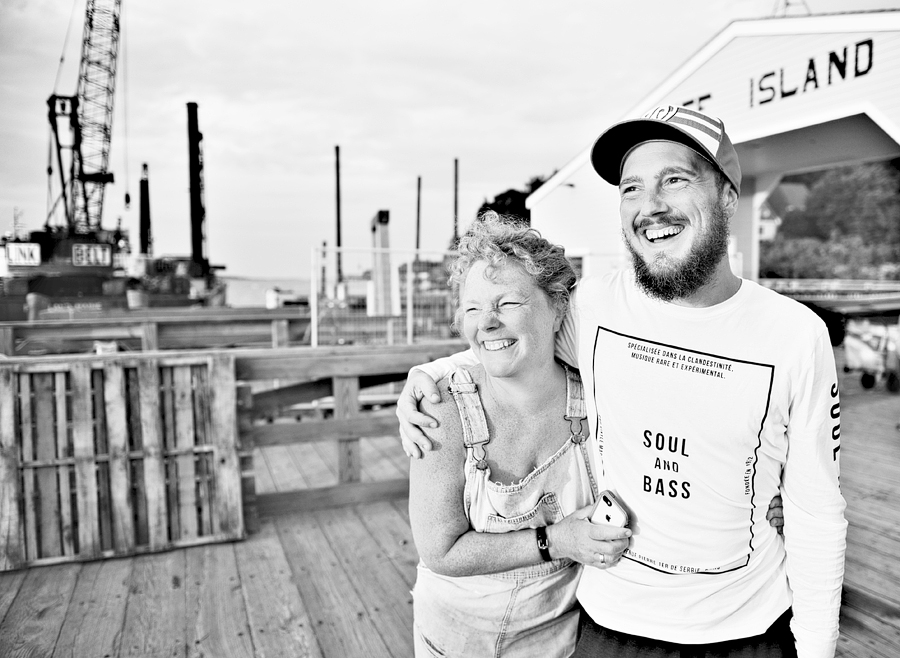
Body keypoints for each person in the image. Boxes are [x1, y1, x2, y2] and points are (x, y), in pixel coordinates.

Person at [399, 106, 845, 658]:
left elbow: (816, 514)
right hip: (611, 625)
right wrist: (429, 377)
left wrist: (818, 647)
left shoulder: (796, 335)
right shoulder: (594, 306)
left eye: (674, 180)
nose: (649, 205)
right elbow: (508, 341)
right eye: (630, 188)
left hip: (749, 628)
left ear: (728, 194)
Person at [409, 214, 632, 658]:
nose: (486, 323)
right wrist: (558, 541)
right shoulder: (443, 408)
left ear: (557, 309)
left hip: (560, 640)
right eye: (472, 308)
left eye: (507, 303)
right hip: (452, 641)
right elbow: (440, 551)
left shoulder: (599, 403)